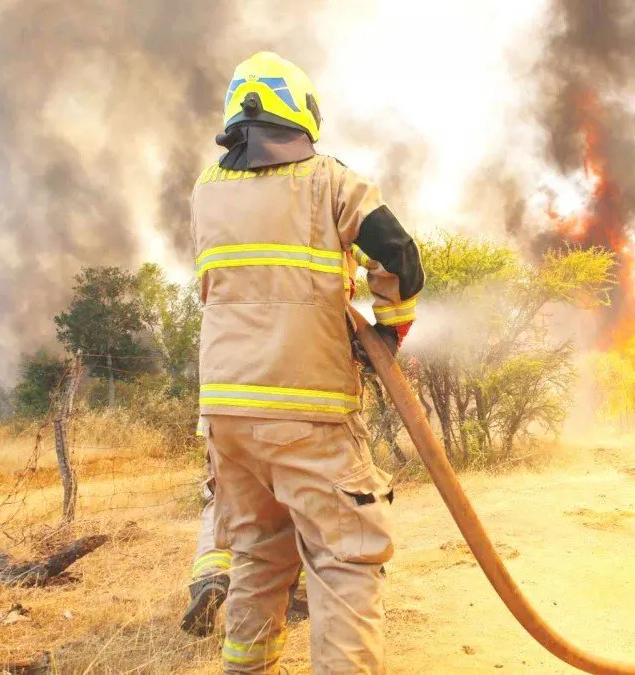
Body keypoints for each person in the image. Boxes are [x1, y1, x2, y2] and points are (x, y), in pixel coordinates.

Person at [190, 52, 424, 674]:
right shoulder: (330, 181)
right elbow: (400, 253)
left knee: (258, 558)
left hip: (229, 420)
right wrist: (388, 333)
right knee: (345, 561)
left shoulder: (205, 192)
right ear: (302, 114)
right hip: (311, 414)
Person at [179, 444, 308, 637]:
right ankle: (299, 594)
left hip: (226, 429)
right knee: (297, 506)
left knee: (223, 506)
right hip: (289, 433)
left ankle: (210, 578)